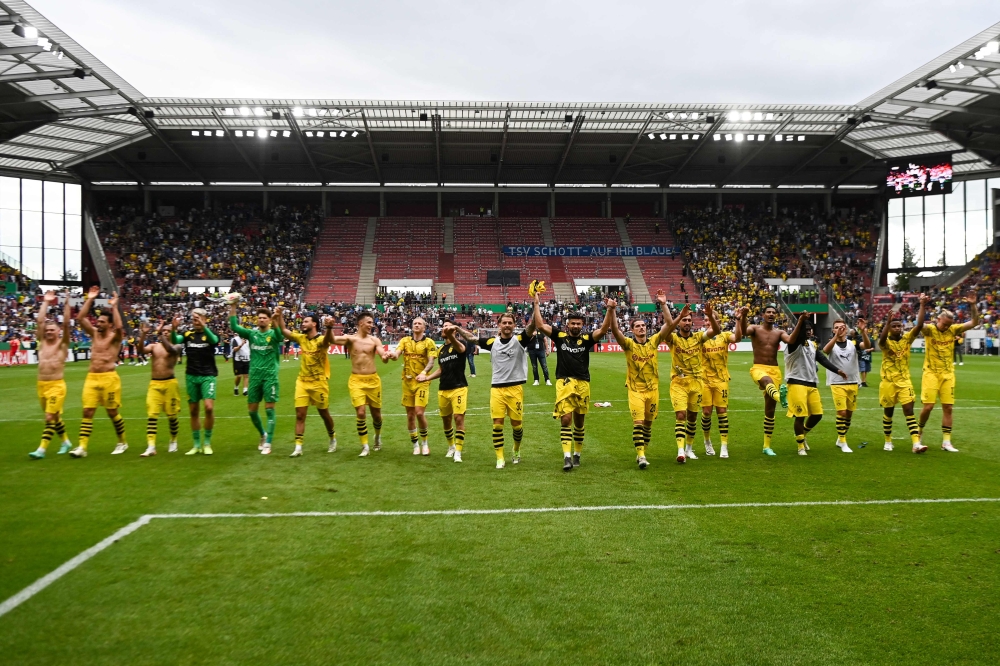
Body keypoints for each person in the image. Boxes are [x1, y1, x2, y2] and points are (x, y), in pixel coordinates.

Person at [531, 293, 613, 471]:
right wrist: (536, 304)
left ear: (583, 325)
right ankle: (567, 457)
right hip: (564, 382)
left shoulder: (586, 339)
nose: (575, 326)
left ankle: (577, 454)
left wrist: (610, 309)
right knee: (566, 419)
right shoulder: (559, 336)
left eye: (578, 324)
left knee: (579, 421)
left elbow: (604, 330)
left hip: (583, 383)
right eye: (573, 323)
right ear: (567, 324)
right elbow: (539, 325)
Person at [456, 310, 536, 469]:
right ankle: (500, 458)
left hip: (515, 388)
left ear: (514, 325)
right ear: (499, 325)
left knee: (517, 425)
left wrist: (535, 304)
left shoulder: (520, 340)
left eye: (510, 323)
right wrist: (457, 329)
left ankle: (516, 449)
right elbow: (472, 339)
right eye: (504, 322)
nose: (507, 325)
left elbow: (532, 325)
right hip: (497, 389)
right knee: (497, 424)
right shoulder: (492, 342)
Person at [606, 291, 673, 469]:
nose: (642, 328)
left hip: (653, 390)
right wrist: (611, 310)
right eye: (638, 326)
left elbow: (669, 324)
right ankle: (641, 456)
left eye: (644, 325)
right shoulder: (628, 344)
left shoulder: (654, 341)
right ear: (633, 330)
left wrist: (664, 304)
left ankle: (643, 451)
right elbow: (614, 330)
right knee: (638, 423)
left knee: (648, 426)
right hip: (635, 390)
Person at [70, 286, 128, 458]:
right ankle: (82, 447)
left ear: (109, 324)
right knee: (87, 411)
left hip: (109, 378)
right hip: (92, 378)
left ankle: (122, 442)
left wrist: (115, 307)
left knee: (112, 413)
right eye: (98, 321)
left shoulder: (115, 337)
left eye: (102, 321)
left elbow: (119, 327)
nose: (98, 323)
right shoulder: (94, 334)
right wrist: (90, 298)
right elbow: (80, 318)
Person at [662, 302, 721, 463]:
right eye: (684, 320)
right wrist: (677, 314)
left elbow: (716, 330)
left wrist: (709, 315)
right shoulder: (673, 339)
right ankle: (680, 450)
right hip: (679, 383)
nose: (687, 323)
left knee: (693, 417)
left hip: (697, 383)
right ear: (680, 322)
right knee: (681, 415)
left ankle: (689, 448)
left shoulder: (698, 337)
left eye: (689, 320)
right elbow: (666, 329)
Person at [918, 296, 979, 451]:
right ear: (938, 319)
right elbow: (919, 325)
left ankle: (946, 442)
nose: (946, 327)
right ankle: (918, 433)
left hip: (948, 373)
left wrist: (972, 306)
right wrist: (922, 305)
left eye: (948, 325)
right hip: (931, 372)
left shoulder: (953, 329)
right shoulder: (930, 330)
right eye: (944, 324)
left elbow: (974, 322)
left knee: (948, 408)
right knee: (928, 407)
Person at [784, 313, 847, 455]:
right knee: (800, 415)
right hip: (796, 382)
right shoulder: (792, 343)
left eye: (810, 328)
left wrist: (837, 370)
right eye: (805, 329)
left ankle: (802, 435)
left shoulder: (812, 344)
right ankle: (800, 446)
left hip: (812, 383)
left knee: (817, 415)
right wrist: (800, 321)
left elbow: (822, 360)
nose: (808, 330)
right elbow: (796, 337)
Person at [277, 313, 337, 457]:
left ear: (314, 324)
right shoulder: (301, 338)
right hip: (302, 382)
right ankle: (298, 446)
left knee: (324, 414)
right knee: (300, 415)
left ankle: (332, 437)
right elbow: (284, 331)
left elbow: (329, 340)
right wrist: (279, 316)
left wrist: (329, 328)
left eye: (306, 321)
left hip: (319, 383)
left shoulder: (322, 339)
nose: (302, 324)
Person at [229, 300, 283, 455]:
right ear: (256, 320)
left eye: (265, 318)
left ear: (269, 320)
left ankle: (268, 443)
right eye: (259, 317)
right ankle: (263, 434)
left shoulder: (273, 334)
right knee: (252, 411)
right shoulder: (252, 334)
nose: (261, 320)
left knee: (270, 410)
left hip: (270, 376)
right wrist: (233, 307)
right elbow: (234, 327)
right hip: (255, 377)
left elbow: (280, 336)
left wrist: (277, 318)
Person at [878, 294, 929, 453]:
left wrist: (922, 305)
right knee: (889, 412)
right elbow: (881, 341)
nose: (898, 328)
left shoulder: (907, 339)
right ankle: (887, 440)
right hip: (888, 382)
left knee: (909, 410)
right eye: (894, 326)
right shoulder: (886, 343)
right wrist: (887, 323)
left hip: (904, 381)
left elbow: (919, 325)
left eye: (899, 326)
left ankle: (916, 443)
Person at [333, 311, 387, 456]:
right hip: (356, 380)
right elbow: (331, 339)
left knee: (376, 415)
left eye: (372, 322)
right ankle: (365, 446)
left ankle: (377, 436)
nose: (372, 325)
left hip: (373, 380)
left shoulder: (375, 340)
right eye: (369, 322)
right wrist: (327, 328)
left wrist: (385, 357)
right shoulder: (349, 339)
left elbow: (382, 354)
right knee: (361, 412)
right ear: (361, 323)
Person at [28, 291, 74, 459]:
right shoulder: (41, 343)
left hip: (56, 385)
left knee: (49, 417)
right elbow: (40, 321)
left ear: (58, 331)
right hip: (41, 385)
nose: (48, 332)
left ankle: (42, 449)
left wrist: (67, 304)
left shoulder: (62, 345)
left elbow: (67, 324)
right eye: (46, 330)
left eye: (51, 329)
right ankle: (66, 441)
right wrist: (46, 302)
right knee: (54, 416)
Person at [385, 317, 438, 455]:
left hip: (422, 382)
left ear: (424, 327)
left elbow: (431, 362)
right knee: (410, 416)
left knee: (419, 413)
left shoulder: (429, 342)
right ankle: (415, 445)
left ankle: (425, 443)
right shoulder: (404, 341)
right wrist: (392, 355)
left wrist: (424, 372)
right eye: (414, 323)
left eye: (419, 323)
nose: (416, 325)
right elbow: (397, 354)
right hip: (407, 382)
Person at [739, 304, 787, 456]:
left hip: (775, 370)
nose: (771, 314)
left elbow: (791, 340)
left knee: (770, 411)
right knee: (767, 381)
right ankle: (780, 396)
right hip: (759, 368)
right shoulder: (754, 329)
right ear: (763, 314)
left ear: (776, 316)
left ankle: (766, 446)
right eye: (768, 312)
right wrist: (744, 315)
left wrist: (800, 322)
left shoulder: (779, 332)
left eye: (774, 312)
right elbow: (743, 331)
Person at [420, 322, 469, 463]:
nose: (444, 328)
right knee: (446, 420)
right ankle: (451, 446)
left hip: (459, 387)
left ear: (453, 330)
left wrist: (451, 335)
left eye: (447, 326)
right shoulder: (441, 349)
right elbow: (441, 369)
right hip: (443, 389)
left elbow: (460, 348)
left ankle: (458, 452)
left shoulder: (459, 345)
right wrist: (427, 378)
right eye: (443, 326)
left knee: (458, 418)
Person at [172, 308, 219, 455]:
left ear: (205, 319)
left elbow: (215, 341)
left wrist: (204, 327)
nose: (195, 321)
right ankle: (196, 444)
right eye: (193, 319)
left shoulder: (209, 334)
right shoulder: (187, 334)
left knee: (209, 407)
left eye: (198, 318)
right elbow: (175, 341)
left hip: (208, 375)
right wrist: (174, 329)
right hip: (191, 375)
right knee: (193, 411)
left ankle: (207, 443)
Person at [699, 306, 744, 459]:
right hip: (704, 381)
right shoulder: (700, 337)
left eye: (709, 319)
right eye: (705, 320)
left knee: (722, 413)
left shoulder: (724, 335)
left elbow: (737, 338)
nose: (706, 322)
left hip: (721, 380)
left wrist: (738, 320)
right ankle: (707, 441)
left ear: (717, 321)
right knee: (706, 413)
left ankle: (724, 446)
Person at [822, 318, 871, 453]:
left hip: (853, 382)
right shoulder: (831, 344)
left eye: (842, 327)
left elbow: (866, 346)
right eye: (837, 327)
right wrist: (836, 337)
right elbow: (825, 351)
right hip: (837, 382)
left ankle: (840, 437)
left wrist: (863, 332)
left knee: (849, 414)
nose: (840, 329)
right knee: (842, 412)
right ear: (833, 330)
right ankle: (843, 441)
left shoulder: (852, 343)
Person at [137, 321, 183, 457]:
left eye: (168, 331)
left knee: (172, 416)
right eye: (164, 331)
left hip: (170, 383)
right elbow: (140, 350)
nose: (166, 332)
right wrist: (143, 334)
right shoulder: (154, 346)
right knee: (152, 415)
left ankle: (173, 440)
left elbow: (170, 350)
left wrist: (159, 334)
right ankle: (151, 446)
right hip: (155, 384)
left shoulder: (177, 346)